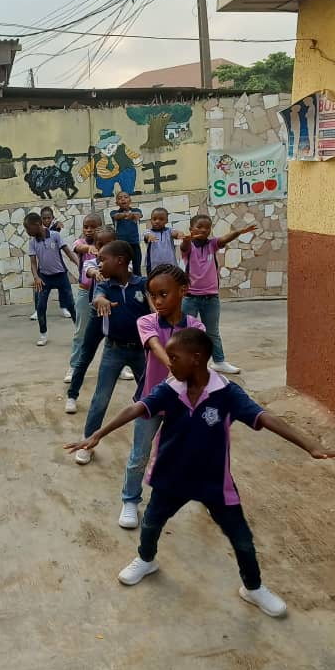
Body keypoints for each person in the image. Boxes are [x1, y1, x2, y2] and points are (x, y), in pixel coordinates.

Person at [65, 328, 335, 618]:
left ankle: (253, 588)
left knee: (241, 538)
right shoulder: (169, 389)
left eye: (175, 357)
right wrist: (98, 434)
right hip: (170, 479)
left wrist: (310, 445)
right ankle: (146, 559)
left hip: (214, 482)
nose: (170, 363)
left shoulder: (227, 393)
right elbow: (137, 408)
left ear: (197, 358)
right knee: (151, 524)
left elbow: (266, 418)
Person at [118, 264, 204, 529]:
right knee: (139, 456)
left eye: (163, 294)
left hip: (182, 406)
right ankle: (130, 500)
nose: (157, 301)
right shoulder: (146, 321)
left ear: (183, 291)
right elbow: (155, 344)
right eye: (153, 295)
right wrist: (174, 365)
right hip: (150, 403)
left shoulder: (195, 326)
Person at [66, 240, 151, 465]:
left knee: (154, 395)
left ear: (120, 261)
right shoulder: (105, 285)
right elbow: (97, 297)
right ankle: (88, 442)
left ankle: (166, 441)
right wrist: (101, 300)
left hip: (141, 351)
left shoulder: (142, 284)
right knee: (100, 399)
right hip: (113, 350)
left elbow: (154, 308)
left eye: (103, 259)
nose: (99, 264)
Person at [180, 214, 257, 375]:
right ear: (191, 229)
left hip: (211, 297)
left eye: (207, 227)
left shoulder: (212, 245)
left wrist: (238, 232)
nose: (203, 230)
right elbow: (184, 247)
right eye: (199, 227)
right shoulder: (188, 247)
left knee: (212, 332)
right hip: (190, 297)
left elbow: (224, 239)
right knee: (187, 332)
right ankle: (186, 362)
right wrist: (187, 239)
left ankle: (219, 361)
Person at [24, 212, 77, 348]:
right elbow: (33, 263)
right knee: (41, 307)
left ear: (37, 225)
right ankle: (43, 334)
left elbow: (68, 252)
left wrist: (79, 264)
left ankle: (80, 333)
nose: (27, 231)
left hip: (61, 276)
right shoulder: (32, 242)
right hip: (44, 278)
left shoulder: (55, 236)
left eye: (28, 228)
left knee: (71, 305)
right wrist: (36, 277)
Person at [64, 213, 103, 382]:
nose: (88, 230)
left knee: (113, 330)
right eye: (86, 226)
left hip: (105, 292)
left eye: (93, 227)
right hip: (85, 292)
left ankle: (121, 367)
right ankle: (74, 366)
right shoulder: (80, 243)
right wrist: (89, 249)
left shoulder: (108, 245)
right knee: (80, 332)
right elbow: (78, 248)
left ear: (100, 228)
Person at [29, 207, 70, 321]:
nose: (46, 220)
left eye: (49, 218)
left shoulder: (55, 230)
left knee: (63, 290)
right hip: (43, 269)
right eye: (44, 218)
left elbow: (54, 233)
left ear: (52, 218)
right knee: (39, 290)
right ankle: (38, 310)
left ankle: (64, 307)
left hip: (58, 267)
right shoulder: (36, 232)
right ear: (40, 220)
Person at [110, 191, 144, 276]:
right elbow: (116, 216)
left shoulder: (136, 210)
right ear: (116, 203)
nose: (123, 199)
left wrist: (132, 214)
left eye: (125, 197)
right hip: (121, 245)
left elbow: (139, 215)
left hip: (134, 243)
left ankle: (138, 286)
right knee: (122, 266)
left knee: (137, 267)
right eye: (120, 198)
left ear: (130, 200)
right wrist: (126, 215)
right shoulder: (114, 212)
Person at [143, 208, 184, 273]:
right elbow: (146, 236)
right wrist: (149, 236)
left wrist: (179, 233)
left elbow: (175, 233)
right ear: (150, 220)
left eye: (161, 219)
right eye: (154, 219)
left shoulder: (169, 231)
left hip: (170, 264)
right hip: (154, 265)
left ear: (166, 221)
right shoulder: (148, 232)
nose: (157, 221)